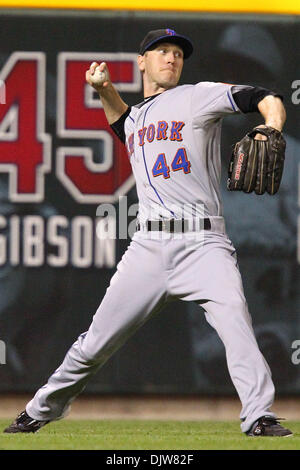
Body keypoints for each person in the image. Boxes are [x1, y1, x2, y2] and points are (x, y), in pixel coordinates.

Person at [4, 28, 292, 437]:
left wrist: (273, 126)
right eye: (162, 51)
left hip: (203, 243)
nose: (172, 58)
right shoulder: (136, 117)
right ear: (142, 61)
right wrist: (104, 89)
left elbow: (264, 97)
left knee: (236, 324)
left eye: (178, 53)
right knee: (94, 344)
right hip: (149, 247)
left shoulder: (198, 95)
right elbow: (124, 123)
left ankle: (259, 415)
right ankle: (38, 409)